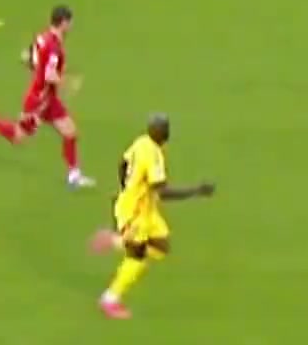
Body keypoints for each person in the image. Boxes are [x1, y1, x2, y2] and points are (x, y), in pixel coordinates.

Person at [89, 114, 216, 320]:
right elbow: (163, 193)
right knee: (137, 257)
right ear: (165, 135)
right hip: (135, 213)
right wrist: (196, 191)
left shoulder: (141, 142)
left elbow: (123, 164)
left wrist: (125, 188)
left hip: (145, 208)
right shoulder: (154, 155)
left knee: (161, 248)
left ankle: (117, 241)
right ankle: (110, 299)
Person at [0, 5, 92, 188]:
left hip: (48, 98)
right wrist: (67, 82)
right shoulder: (55, 47)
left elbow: (27, 57)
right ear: (63, 23)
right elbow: (49, 75)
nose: (71, 26)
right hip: (39, 101)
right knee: (17, 136)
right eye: (70, 22)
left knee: (70, 132)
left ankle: (74, 175)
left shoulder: (42, 37)